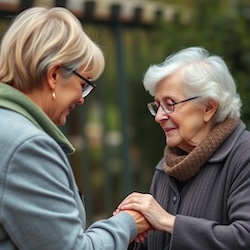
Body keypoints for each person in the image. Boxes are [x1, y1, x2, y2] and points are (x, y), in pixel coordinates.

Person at [0, 6, 150, 250]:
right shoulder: (26, 146)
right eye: (83, 84)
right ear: (54, 75)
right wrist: (128, 222)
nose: (82, 98)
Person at [116, 47, 250, 249]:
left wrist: (167, 221)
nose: (160, 116)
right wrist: (129, 229)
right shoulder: (166, 166)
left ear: (208, 107)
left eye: (170, 104)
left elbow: (244, 237)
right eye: (157, 105)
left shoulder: (243, 155)